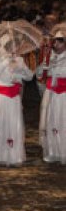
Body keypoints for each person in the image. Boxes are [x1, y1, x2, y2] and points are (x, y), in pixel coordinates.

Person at [0, 43, 33, 166]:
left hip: (13, 98)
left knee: (12, 124)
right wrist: (5, 62)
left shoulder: (18, 58)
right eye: (8, 46)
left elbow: (29, 76)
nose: (12, 49)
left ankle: (12, 156)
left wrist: (20, 71)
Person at [38, 30, 66, 163]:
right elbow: (39, 75)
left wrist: (56, 69)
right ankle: (53, 150)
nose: (56, 44)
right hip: (52, 93)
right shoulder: (50, 55)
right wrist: (44, 67)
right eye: (55, 41)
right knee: (52, 120)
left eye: (60, 41)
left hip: (64, 94)